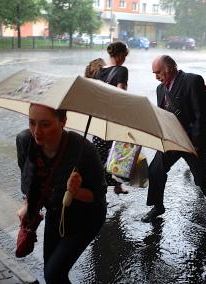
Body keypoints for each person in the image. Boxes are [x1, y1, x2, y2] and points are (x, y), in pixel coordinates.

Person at [16, 104, 107, 284]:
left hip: (86, 218)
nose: (37, 132)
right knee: (52, 273)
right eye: (32, 122)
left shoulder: (83, 150)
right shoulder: (25, 141)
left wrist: (75, 191)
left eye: (45, 124)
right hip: (56, 212)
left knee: (53, 273)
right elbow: (30, 179)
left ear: (63, 121)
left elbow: (97, 196)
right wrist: (28, 205)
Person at [142, 55, 206, 224]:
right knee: (155, 170)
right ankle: (158, 206)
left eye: (158, 72)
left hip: (192, 141)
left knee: (201, 177)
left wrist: (197, 143)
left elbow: (203, 115)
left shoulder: (192, 81)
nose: (156, 76)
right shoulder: (160, 89)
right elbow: (163, 115)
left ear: (169, 68)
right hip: (171, 139)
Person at [92, 41, 129, 194]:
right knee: (122, 151)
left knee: (101, 153)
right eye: (125, 56)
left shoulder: (99, 71)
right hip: (115, 117)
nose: (125, 59)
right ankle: (114, 185)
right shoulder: (122, 70)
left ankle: (104, 188)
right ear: (120, 56)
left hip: (100, 116)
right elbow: (121, 95)